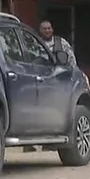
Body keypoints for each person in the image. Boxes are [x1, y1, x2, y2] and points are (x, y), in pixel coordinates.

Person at [23, 20, 76, 153]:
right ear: (40, 31)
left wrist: (72, 74)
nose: (47, 31)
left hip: (56, 81)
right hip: (38, 81)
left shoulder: (61, 43)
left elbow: (71, 60)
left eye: (49, 28)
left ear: (52, 29)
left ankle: (51, 143)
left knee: (54, 111)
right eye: (44, 29)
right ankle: (29, 143)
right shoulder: (33, 44)